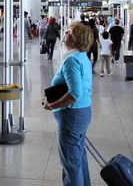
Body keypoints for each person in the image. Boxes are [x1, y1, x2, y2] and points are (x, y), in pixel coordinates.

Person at [43, 23, 93, 185]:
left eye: (69, 32)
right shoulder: (81, 56)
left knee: (70, 163)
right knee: (78, 158)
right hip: (82, 113)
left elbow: (74, 93)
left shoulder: (71, 60)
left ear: (76, 38)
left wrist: (52, 105)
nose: (65, 33)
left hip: (71, 116)